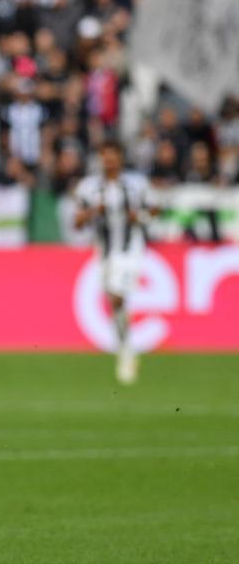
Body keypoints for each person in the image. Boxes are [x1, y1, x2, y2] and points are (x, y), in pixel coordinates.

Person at [74, 139, 155, 384]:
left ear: (120, 157)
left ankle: (126, 351)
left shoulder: (136, 184)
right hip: (105, 251)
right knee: (113, 301)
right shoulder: (89, 188)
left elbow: (154, 209)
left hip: (131, 249)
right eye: (105, 155)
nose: (109, 160)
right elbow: (77, 223)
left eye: (113, 155)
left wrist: (138, 216)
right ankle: (126, 348)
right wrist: (92, 213)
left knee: (118, 297)